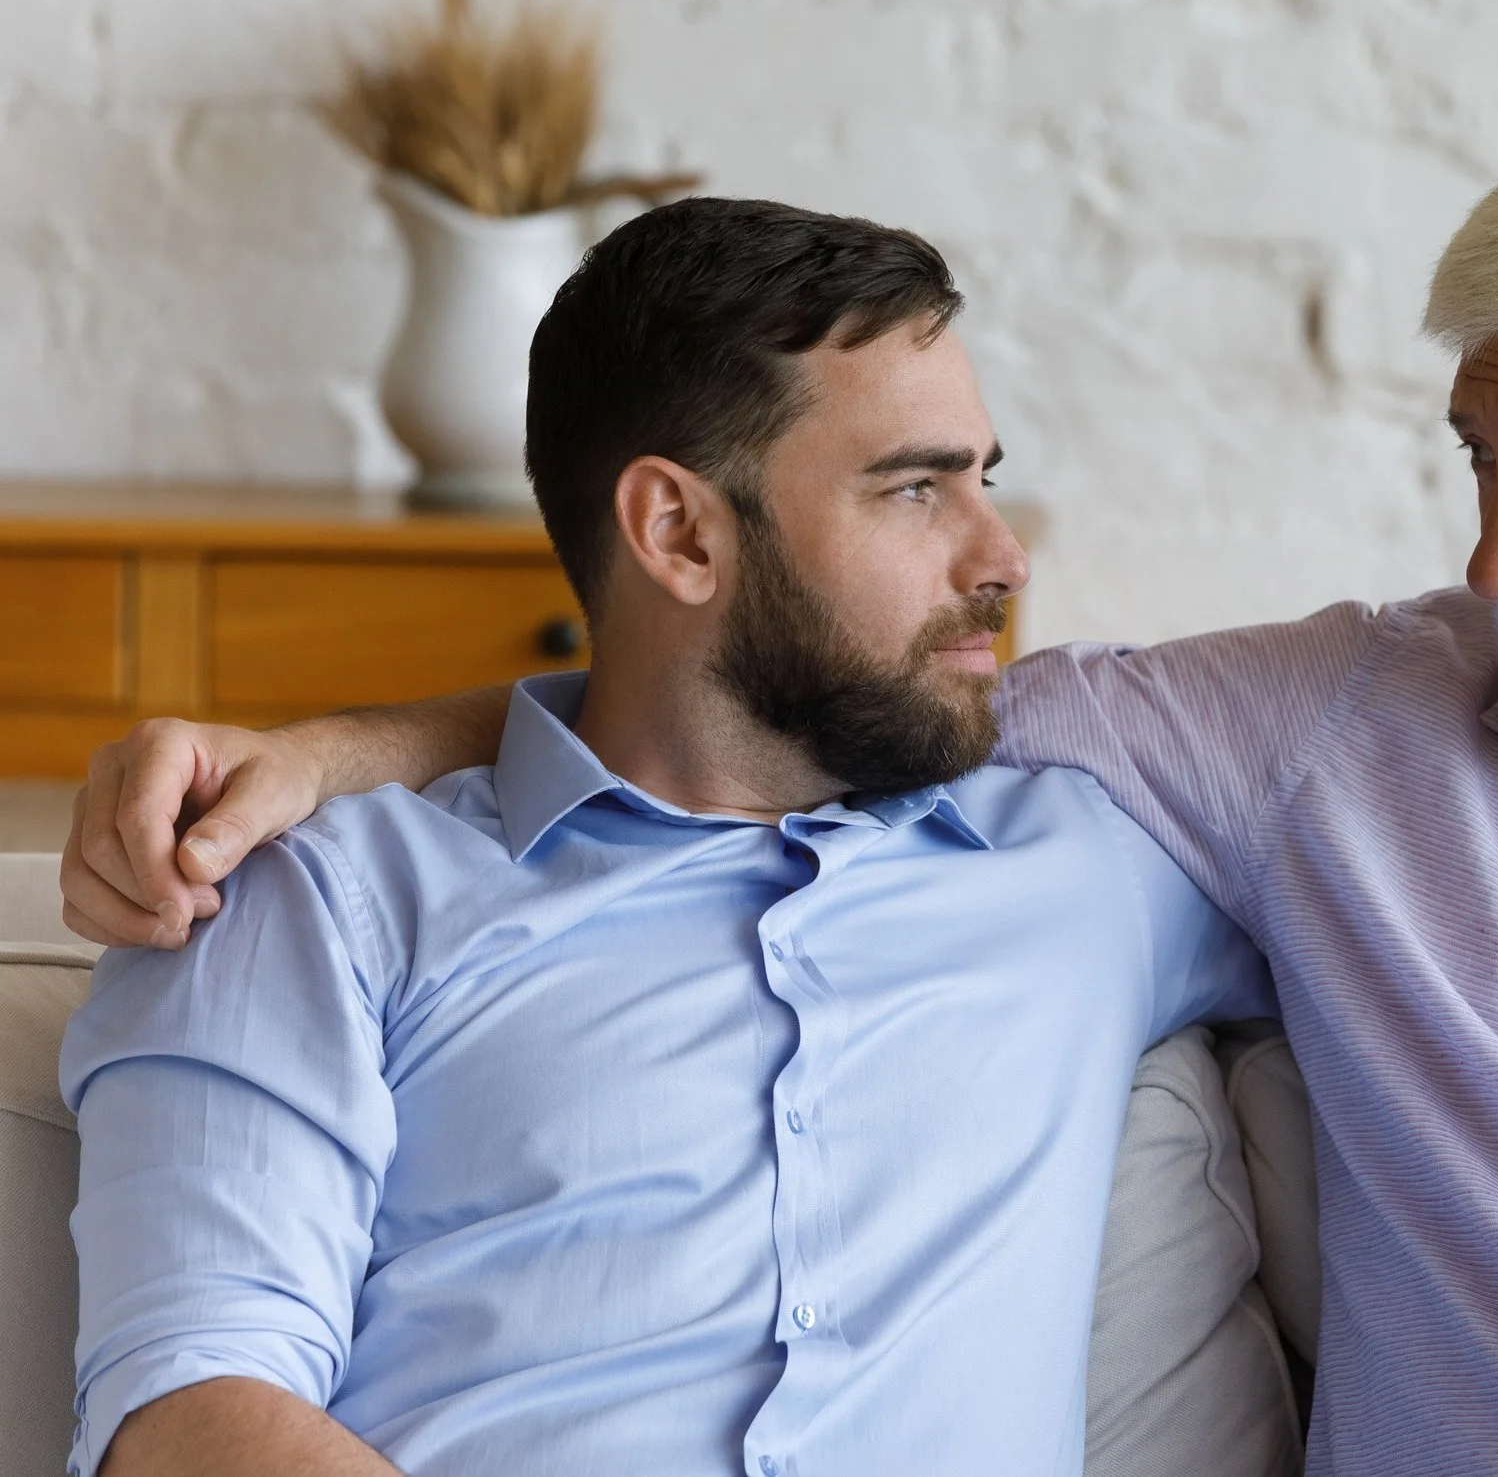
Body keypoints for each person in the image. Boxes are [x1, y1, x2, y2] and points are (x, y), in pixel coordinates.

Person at [68, 79, 1498, 1475]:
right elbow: (768, 720)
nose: (1489, 559)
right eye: (1477, 465)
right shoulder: (1340, 747)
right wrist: (325, 753)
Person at [58, 201, 1276, 1477]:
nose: (1003, 555)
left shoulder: (1100, 857)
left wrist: (335, 740)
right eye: (915, 487)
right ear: (679, 533)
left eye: (985, 476)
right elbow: (190, 1409)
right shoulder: (307, 898)